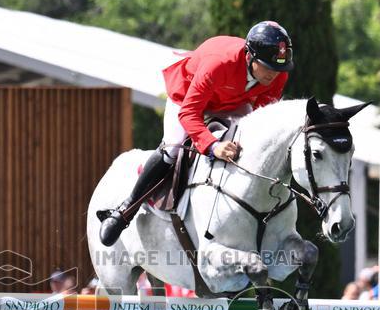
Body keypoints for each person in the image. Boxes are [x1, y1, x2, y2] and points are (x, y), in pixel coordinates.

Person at [98, 21, 293, 246]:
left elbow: (261, 117)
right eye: (267, 67)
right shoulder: (219, 63)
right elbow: (190, 113)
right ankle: (125, 210)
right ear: (249, 56)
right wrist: (212, 145)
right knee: (172, 147)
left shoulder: (279, 74)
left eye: (278, 68)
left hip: (232, 102)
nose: (273, 74)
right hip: (186, 98)